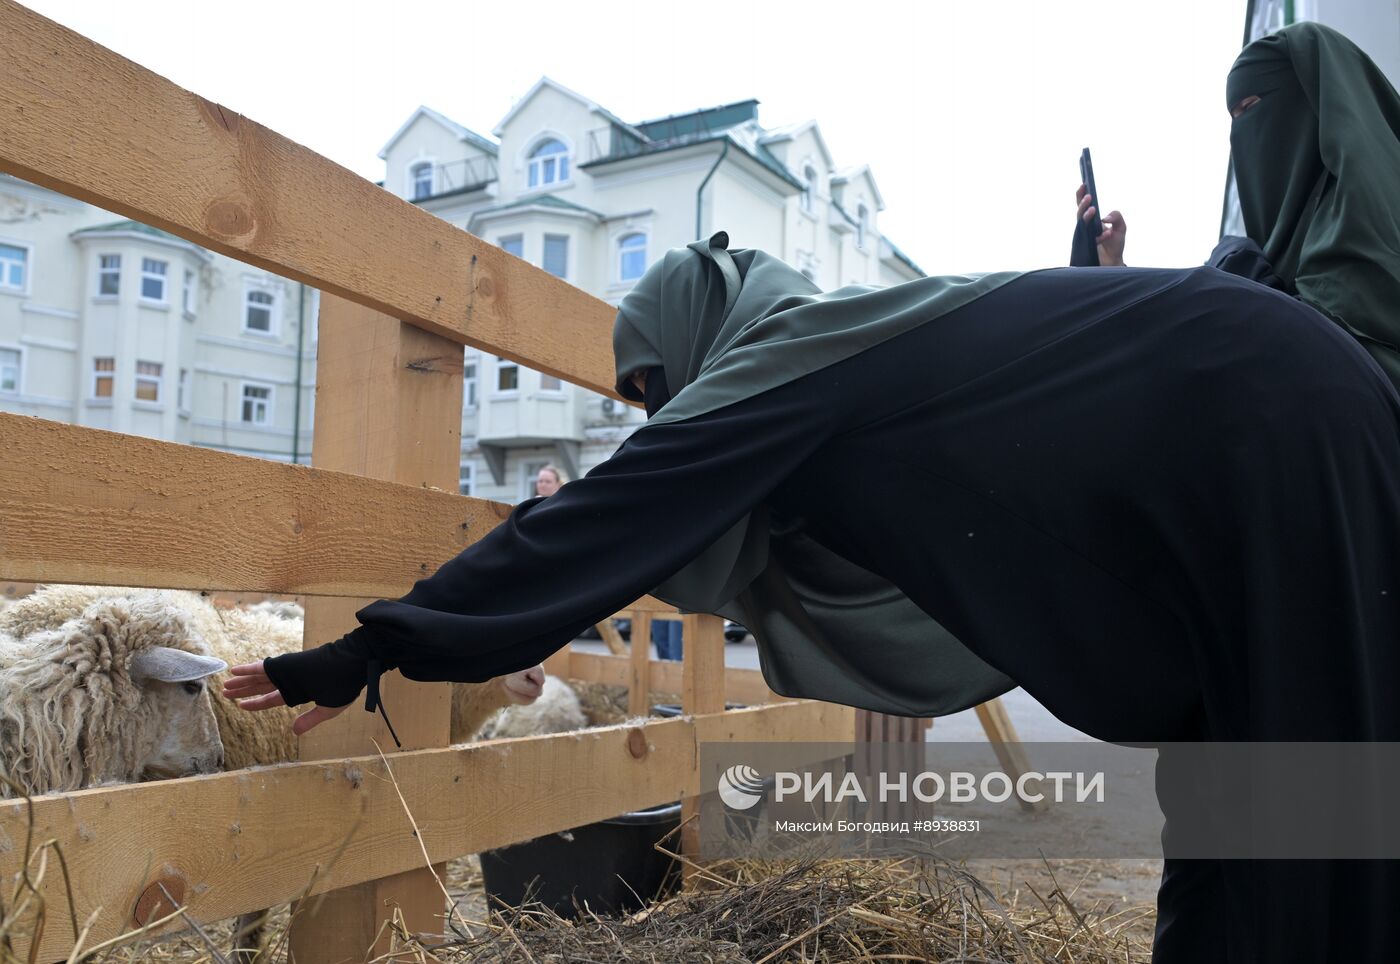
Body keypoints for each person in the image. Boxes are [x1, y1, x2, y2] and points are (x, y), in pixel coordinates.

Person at [225, 230, 1400, 961]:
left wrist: (368, 646)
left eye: (653, 384)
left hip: (1262, 422)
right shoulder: (842, 350)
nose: (654, 411)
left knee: (1293, 802)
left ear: (702, 340)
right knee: (1259, 793)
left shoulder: (800, 353)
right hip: (1257, 418)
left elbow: (618, 507)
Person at [1073, 20, 1400, 393]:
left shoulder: (1366, 208)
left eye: (1252, 107)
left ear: (1310, 100)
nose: (1243, 134)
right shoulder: (1295, 234)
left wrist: (1235, 270)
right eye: (1235, 118)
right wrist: (1116, 274)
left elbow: (1317, 345)